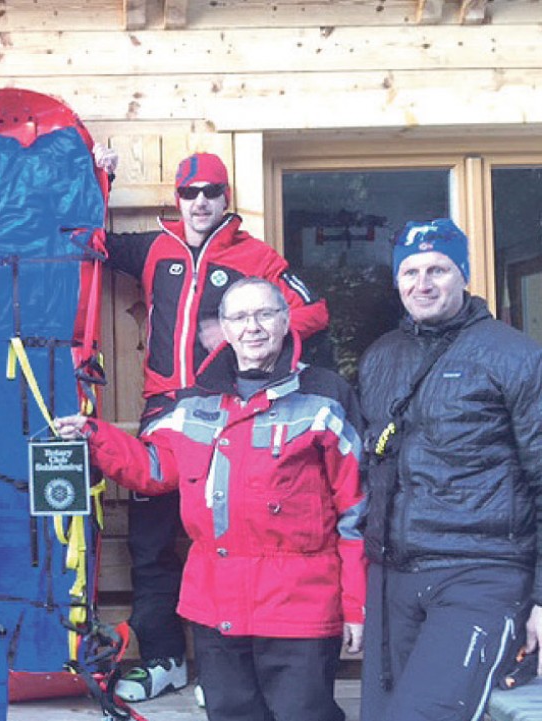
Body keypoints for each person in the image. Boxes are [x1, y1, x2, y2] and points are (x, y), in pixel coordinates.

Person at [55, 277, 364, 721]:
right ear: (223, 328)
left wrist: (356, 605)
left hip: (299, 604)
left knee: (304, 714)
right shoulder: (191, 403)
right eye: (239, 317)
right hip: (215, 603)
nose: (252, 327)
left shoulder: (324, 397)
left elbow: (356, 512)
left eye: (264, 314)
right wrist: (94, 434)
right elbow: (153, 470)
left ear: (284, 322)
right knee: (230, 713)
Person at [93, 147, 331, 701]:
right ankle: (165, 659)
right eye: (190, 193)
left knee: (228, 538)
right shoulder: (154, 248)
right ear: (178, 199)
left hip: (227, 411)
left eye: (211, 192)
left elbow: (313, 311)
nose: (200, 202)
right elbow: (90, 240)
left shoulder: (256, 256)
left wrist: (233, 333)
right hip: (162, 412)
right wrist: (98, 177)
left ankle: (227, 673)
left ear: (227, 198)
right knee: (150, 544)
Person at [358, 219, 542, 721]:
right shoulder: (380, 357)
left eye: (438, 269)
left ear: (463, 273)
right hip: (393, 577)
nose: (423, 283)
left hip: (481, 572)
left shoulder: (516, 356)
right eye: (410, 271)